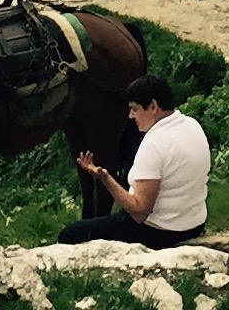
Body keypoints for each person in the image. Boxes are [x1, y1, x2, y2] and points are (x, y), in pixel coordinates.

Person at [60, 75, 211, 248]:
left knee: (70, 234)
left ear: (153, 106)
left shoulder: (155, 143)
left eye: (134, 109)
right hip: (194, 224)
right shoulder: (192, 125)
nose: (131, 116)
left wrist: (105, 179)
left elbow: (140, 212)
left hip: (162, 230)